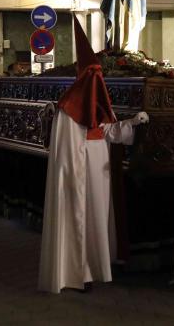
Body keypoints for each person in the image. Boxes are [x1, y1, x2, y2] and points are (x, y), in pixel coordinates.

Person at [38, 18, 148, 294]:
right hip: (80, 173)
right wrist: (76, 175)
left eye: (100, 75)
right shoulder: (68, 106)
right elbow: (69, 148)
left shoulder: (97, 103)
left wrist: (133, 123)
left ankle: (97, 266)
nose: (99, 80)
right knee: (79, 217)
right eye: (94, 75)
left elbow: (108, 132)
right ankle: (78, 271)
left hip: (100, 170)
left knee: (97, 218)